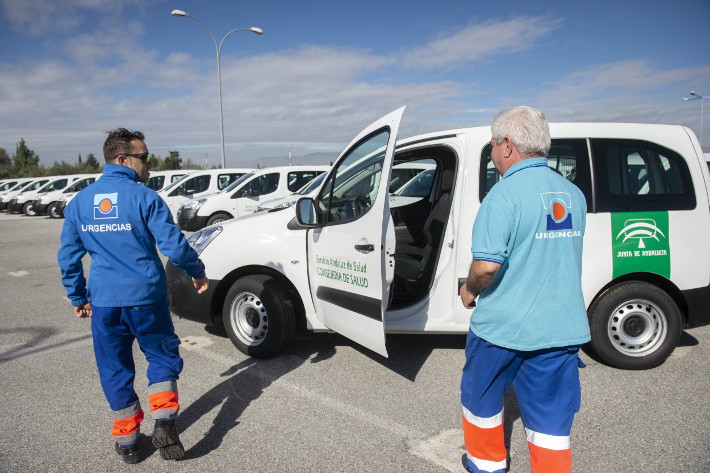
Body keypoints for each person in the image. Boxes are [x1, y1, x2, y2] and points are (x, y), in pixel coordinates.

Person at [57, 128, 209, 464]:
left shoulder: (80, 202)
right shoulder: (146, 198)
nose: (149, 167)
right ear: (123, 159)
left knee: (114, 368)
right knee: (161, 356)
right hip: (147, 298)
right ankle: (165, 422)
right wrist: (197, 271)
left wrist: (77, 296)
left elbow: (68, 256)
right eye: (145, 158)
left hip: (105, 302)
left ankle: (127, 442)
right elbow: (173, 246)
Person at [459, 106, 590, 473]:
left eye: (492, 146)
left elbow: (486, 267)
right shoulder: (573, 194)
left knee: (482, 402)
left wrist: (468, 291)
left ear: (506, 146)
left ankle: (486, 466)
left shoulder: (503, 196)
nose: (492, 153)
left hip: (503, 329)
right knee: (551, 423)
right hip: (560, 329)